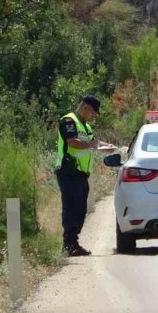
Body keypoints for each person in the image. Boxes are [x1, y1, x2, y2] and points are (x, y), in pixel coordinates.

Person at [55, 95, 117, 256]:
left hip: (80, 173)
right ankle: (69, 244)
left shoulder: (84, 126)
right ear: (85, 108)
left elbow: (93, 141)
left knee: (81, 208)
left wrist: (107, 146)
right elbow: (72, 142)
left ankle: (73, 242)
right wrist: (93, 145)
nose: (94, 116)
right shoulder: (69, 121)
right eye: (93, 113)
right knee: (71, 207)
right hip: (68, 171)